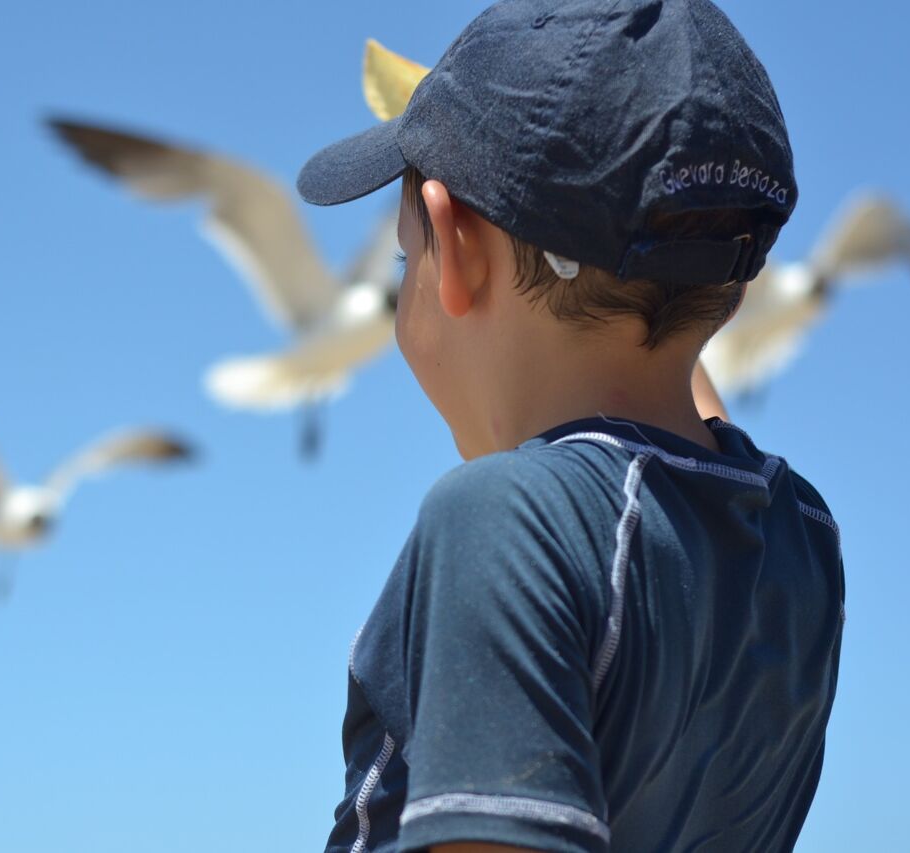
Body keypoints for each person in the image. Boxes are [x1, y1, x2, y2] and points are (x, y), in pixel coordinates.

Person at [295, 1, 845, 851]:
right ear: (732, 288)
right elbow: (676, 403)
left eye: (409, 255)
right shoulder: (799, 536)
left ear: (455, 240)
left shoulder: (504, 521)